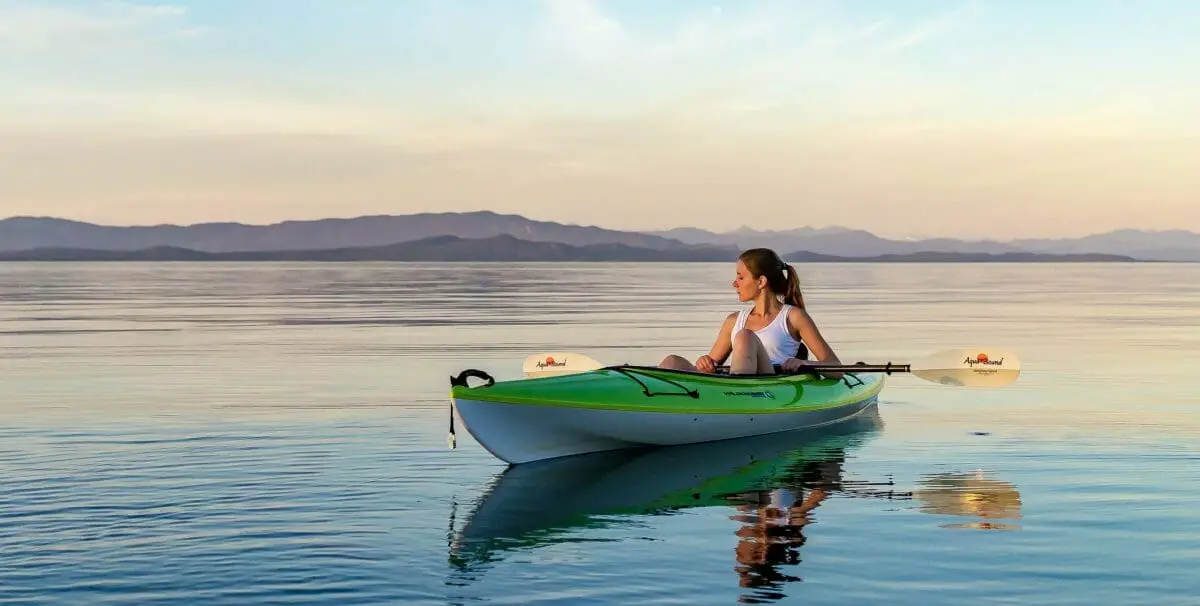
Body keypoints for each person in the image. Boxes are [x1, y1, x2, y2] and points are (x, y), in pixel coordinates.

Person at [659, 247, 842, 375]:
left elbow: (836, 368)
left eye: (740, 277)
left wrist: (804, 363)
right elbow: (710, 365)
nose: (734, 283)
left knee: (745, 336)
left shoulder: (793, 317)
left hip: (769, 387)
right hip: (734, 383)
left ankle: (740, 401)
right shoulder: (733, 321)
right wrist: (704, 362)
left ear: (761, 281)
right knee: (672, 361)